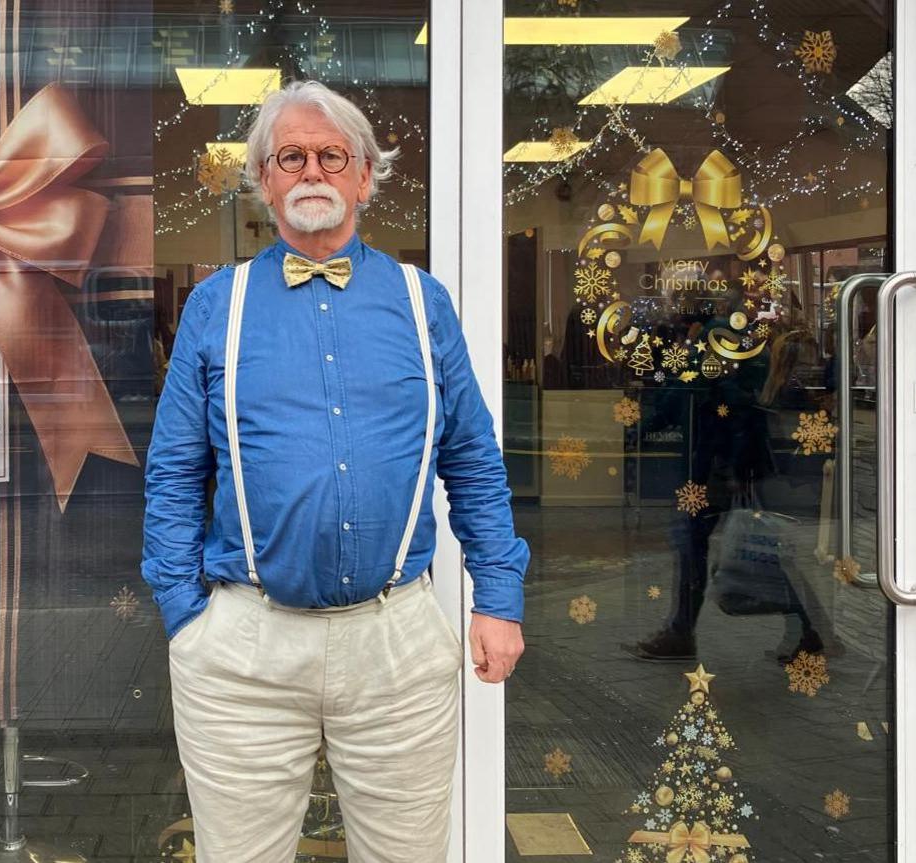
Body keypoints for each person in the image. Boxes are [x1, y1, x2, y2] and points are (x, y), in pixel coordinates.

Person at [140, 80, 529, 862]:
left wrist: (499, 598)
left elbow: (474, 463)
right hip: (245, 647)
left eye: (331, 155)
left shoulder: (425, 304)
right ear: (265, 179)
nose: (311, 170)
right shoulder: (219, 305)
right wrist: (187, 615)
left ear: (363, 176)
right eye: (290, 156)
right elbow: (175, 473)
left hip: (396, 644)